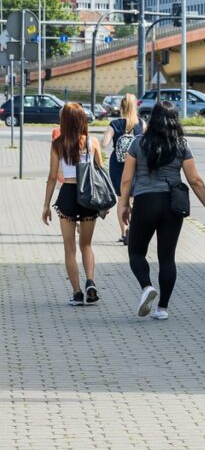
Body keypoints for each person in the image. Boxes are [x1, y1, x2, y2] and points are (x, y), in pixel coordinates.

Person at [117, 101, 205, 320]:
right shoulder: (181, 145)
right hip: (173, 205)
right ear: (175, 121)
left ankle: (146, 287)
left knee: (136, 252)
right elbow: (195, 180)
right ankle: (162, 308)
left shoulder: (138, 143)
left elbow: (126, 180)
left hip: (145, 202)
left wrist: (124, 204)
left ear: (152, 119)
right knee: (167, 257)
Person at [41, 102, 104, 306]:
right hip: (88, 196)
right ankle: (91, 282)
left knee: (69, 249)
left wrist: (46, 205)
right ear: (82, 120)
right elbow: (100, 171)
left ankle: (77, 294)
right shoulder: (92, 142)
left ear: (64, 121)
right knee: (86, 244)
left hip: (67, 194)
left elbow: (52, 177)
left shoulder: (58, 144)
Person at [101, 93, 145, 245]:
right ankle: (136, 230)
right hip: (137, 165)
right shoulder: (141, 123)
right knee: (136, 198)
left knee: (122, 199)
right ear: (135, 107)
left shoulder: (115, 124)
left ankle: (124, 231)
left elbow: (104, 144)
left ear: (121, 107)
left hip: (118, 165)